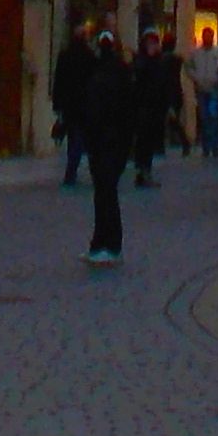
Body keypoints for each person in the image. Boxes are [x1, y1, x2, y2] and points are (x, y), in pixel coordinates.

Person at [69, 22, 135, 267]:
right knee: (103, 193)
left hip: (109, 141)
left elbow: (121, 111)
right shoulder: (110, 72)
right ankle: (100, 243)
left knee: (106, 193)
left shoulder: (109, 73)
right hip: (104, 141)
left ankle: (111, 244)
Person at [127, 26, 177, 189]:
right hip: (141, 107)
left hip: (156, 108)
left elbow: (165, 84)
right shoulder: (140, 61)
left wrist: (168, 105)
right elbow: (136, 80)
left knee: (150, 141)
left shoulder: (161, 61)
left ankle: (144, 171)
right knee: (143, 141)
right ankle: (142, 171)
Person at [49, 27, 88, 189]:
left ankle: (70, 171)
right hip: (82, 105)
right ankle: (71, 171)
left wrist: (57, 104)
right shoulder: (88, 56)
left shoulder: (64, 55)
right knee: (77, 138)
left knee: (72, 137)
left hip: (68, 104)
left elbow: (58, 80)